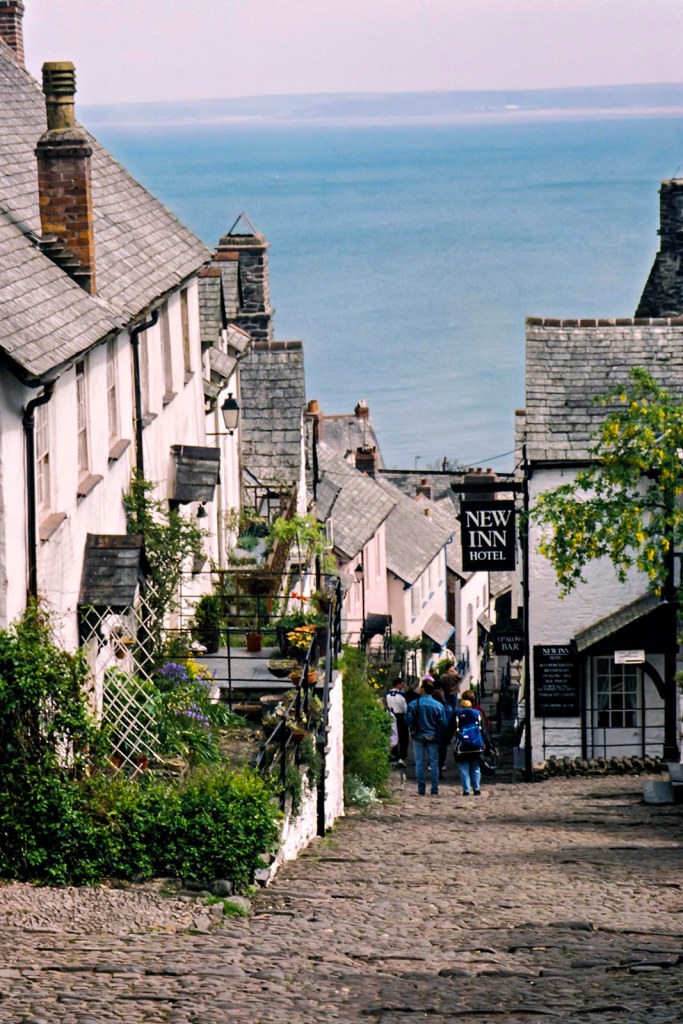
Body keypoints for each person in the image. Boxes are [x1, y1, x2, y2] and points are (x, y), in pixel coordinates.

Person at [405, 679, 446, 796]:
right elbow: (442, 723)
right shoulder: (438, 705)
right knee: (434, 763)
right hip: (433, 736)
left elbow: (408, 720)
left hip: (418, 735)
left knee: (419, 763)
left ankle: (421, 788)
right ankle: (434, 788)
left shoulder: (414, 704)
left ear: (422, 689)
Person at [453, 691, 492, 796]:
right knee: (476, 768)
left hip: (462, 745)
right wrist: (489, 744)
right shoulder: (477, 713)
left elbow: (454, 730)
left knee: (464, 768)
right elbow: (483, 730)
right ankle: (476, 789)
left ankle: (466, 790)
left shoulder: (458, 714)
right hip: (476, 744)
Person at [385, 677, 409, 766]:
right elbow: (405, 708)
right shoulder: (401, 695)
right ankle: (401, 757)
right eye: (402, 684)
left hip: (390, 715)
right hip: (400, 717)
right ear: (398, 684)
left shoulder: (387, 695)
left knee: (392, 736)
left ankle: (393, 755)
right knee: (403, 738)